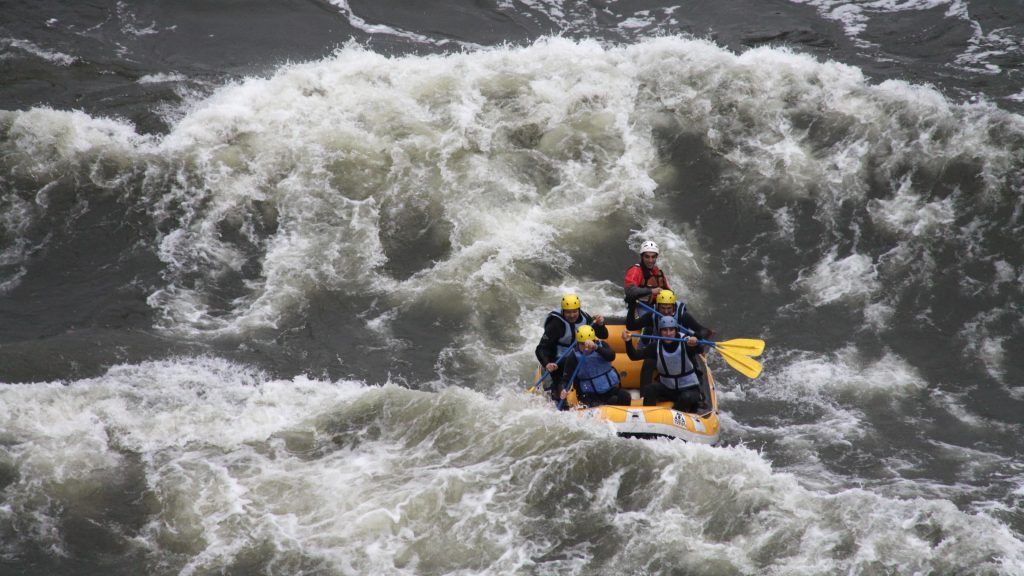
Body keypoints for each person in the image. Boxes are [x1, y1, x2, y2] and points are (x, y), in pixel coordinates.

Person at [625, 289, 714, 388]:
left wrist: (696, 340)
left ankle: (699, 389)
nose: (666, 312)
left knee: (692, 362)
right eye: (663, 308)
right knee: (648, 363)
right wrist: (632, 306)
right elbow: (631, 326)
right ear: (658, 306)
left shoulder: (682, 316)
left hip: (682, 349)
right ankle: (644, 395)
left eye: (669, 308)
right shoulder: (653, 315)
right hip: (661, 350)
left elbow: (703, 331)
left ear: (674, 306)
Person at [622, 316, 703, 413]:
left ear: (676, 330)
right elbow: (634, 356)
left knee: (686, 397)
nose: (668, 333)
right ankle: (648, 416)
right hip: (669, 389)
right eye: (664, 330)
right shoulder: (655, 346)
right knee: (649, 389)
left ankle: (674, 416)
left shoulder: (686, 342)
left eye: (671, 330)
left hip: (690, 389)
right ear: (660, 331)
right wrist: (628, 341)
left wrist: (696, 343)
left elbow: (700, 350)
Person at [535, 294, 607, 403]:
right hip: (559, 362)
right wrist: (547, 364)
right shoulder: (555, 324)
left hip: (579, 357)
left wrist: (601, 324)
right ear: (563, 311)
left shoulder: (585, 317)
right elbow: (541, 349)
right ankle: (559, 397)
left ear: (579, 310)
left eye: (574, 311)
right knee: (561, 388)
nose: (572, 315)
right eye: (568, 312)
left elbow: (603, 335)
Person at [558, 325, 631, 408]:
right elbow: (565, 380)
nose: (586, 347)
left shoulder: (602, 345)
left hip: (608, 390)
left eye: (589, 343)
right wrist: (563, 389)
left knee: (625, 396)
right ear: (578, 343)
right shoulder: (573, 357)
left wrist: (596, 348)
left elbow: (611, 356)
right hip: (589, 395)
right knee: (600, 405)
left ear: (594, 341)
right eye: (583, 344)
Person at [623, 240, 670, 321]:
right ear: (642, 257)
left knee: (681, 310)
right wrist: (651, 291)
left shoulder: (658, 272)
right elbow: (629, 290)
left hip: (656, 307)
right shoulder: (635, 270)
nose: (650, 260)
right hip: (639, 307)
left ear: (656, 257)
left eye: (653, 257)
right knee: (652, 319)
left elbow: (668, 291)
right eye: (647, 257)